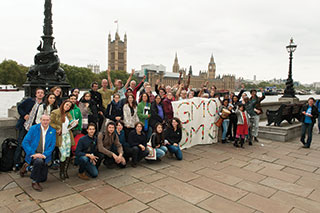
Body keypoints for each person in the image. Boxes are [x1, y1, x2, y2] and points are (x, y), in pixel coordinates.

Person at [20, 114, 56, 191]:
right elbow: (25, 142)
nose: (45, 122)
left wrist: (44, 155)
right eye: (43, 120)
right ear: (40, 120)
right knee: (39, 162)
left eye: (47, 120)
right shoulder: (33, 128)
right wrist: (33, 153)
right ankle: (34, 182)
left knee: (43, 179)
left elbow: (52, 146)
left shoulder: (52, 131)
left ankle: (26, 167)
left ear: (50, 121)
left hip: (44, 155)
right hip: (33, 154)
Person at [14, 88, 45, 171]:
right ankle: (16, 163)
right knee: (20, 144)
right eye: (38, 93)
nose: (40, 94)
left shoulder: (43, 105)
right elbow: (20, 107)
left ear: (44, 95)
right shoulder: (29, 101)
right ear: (35, 94)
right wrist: (24, 115)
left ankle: (27, 162)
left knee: (32, 146)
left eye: (42, 93)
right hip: (25, 125)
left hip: (34, 128)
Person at [50, 100, 77, 180]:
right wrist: (58, 128)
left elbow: (70, 124)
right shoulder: (55, 112)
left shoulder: (68, 114)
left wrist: (74, 124)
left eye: (69, 106)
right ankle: (61, 172)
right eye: (67, 104)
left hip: (68, 135)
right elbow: (51, 123)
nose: (67, 106)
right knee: (63, 154)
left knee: (68, 154)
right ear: (63, 104)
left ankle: (65, 171)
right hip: (60, 136)